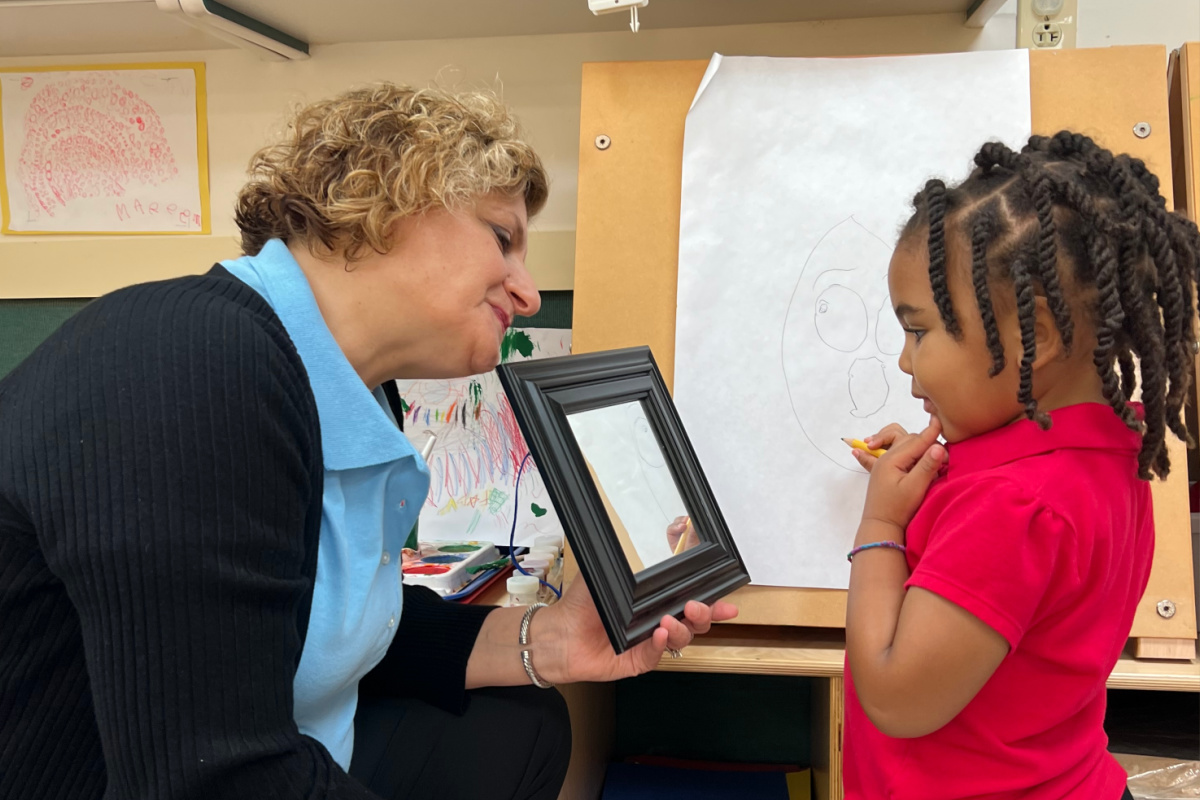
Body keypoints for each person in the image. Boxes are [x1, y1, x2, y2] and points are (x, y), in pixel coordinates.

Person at [0, 83, 737, 800]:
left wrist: (549, 639)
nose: (528, 292)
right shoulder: (187, 365)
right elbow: (213, 775)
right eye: (503, 238)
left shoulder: (341, 385)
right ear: (390, 203)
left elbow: (305, 627)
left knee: (516, 724)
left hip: (282, 751)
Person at [842, 131, 1200, 800]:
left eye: (918, 329)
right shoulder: (1105, 452)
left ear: (1040, 335)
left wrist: (882, 524)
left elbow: (895, 696)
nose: (904, 360)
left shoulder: (1012, 505)